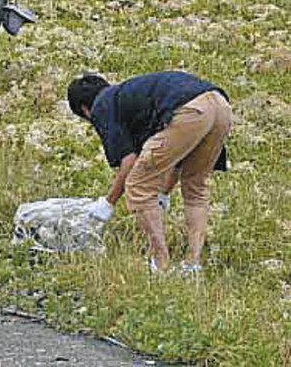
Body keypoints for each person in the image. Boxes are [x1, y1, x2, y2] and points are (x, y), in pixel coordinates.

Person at [67, 71, 232, 274]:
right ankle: (193, 264)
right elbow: (177, 154)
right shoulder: (132, 97)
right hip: (220, 105)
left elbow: (129, 162)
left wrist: (108, 203)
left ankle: (160, 263)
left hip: (190, 110)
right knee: (195, 187)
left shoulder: (102, 106)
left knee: (138, 185)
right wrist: (164, 192)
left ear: (84, 110)